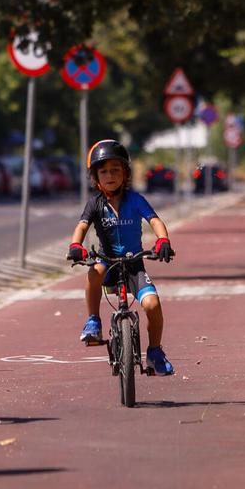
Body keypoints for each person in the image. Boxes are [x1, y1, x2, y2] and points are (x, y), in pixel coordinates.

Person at [67, 140, 176, 376]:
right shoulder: (95, 203)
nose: (110, 176)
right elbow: (82, 225)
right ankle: (93, 320)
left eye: (115, 170)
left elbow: (155, 221)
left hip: (134, 264)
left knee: (152, 304)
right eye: (104, 171)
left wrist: (163, 240)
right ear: (95, 177)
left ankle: (155, 352)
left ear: (125, 173)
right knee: (94, 270)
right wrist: (76, 245)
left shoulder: (136, 200)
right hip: (107, 262)